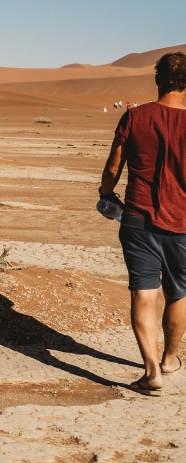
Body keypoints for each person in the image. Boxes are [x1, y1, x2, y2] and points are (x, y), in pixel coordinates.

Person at [100, 51, 186, 395]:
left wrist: (106, 194)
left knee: (144, 292)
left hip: (137, 219)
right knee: (179, 292)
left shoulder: (135, 116)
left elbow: (112, 168)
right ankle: (169, 358)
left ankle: (152, 371)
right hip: (183, 223)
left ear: (157, 80)